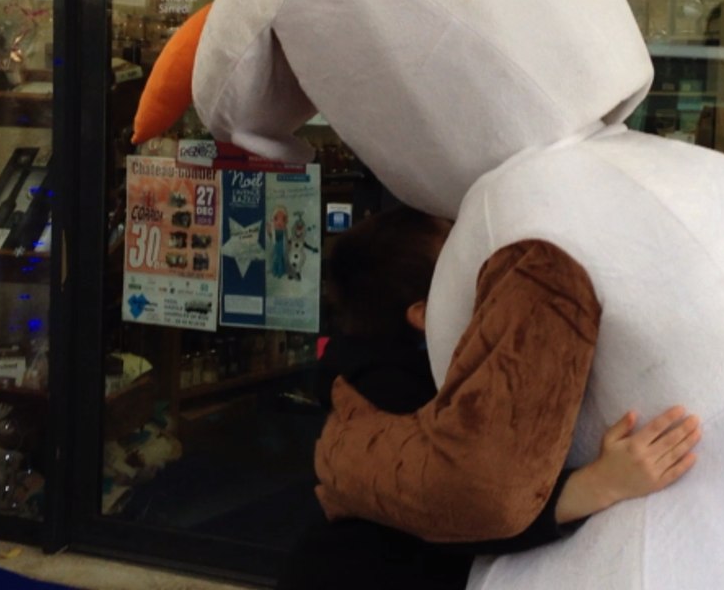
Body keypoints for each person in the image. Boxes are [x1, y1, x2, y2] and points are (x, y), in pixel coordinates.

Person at [278, 205, 701, 590]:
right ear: (424, 314)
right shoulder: (386, 393)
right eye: (461, 270)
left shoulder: (382, 370)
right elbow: (461, 497)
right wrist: (599, 483)